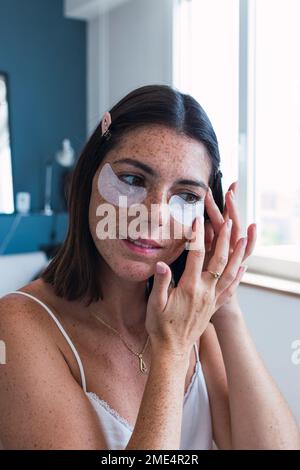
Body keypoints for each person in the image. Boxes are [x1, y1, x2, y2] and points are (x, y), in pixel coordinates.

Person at [0, 84, 299, 450]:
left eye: (186, 196)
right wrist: (170, 353)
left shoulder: (190, 315)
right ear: (88, 177)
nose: (155, 217)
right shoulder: (17, 326)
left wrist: (226, 307)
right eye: (132, 180)